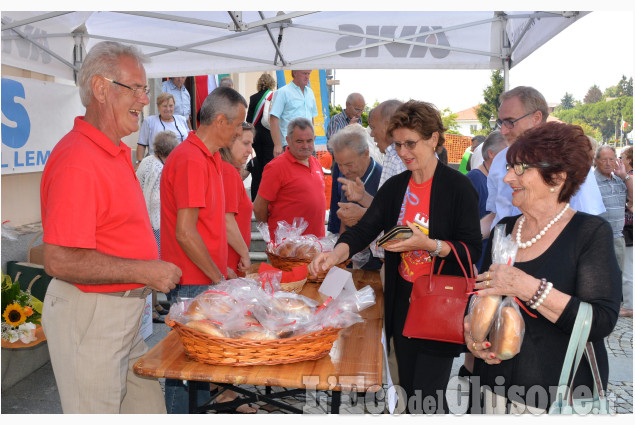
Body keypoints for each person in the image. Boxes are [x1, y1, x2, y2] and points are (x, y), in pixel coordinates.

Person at [309, 100, 481, 414]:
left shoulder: (458, 187)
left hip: (439, 304)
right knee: (406, 390)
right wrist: (335, 255)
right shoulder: (395, 187)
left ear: (433, 139)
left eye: (411, 143)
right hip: (402, 302)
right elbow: (365, 230)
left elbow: (471, 251)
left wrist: (429, 245)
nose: (403, 152)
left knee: (427, 396)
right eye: (398, 144)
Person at [39, 41, 182, 414]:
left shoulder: (114, 150)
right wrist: (144, 270)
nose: (143, 99)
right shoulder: (78, 159)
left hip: (123, 316)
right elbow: (59, 260)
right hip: (92, 316)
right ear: (101, 89)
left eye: (144, 89)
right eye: (134, 88)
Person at [465, 122, 621, 413]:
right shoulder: (503, 229)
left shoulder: (589, 232)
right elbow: (478, 296)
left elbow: (601, 320)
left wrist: (528, 288)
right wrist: (472, 334)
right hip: (492, 390)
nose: (508, 177)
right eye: (509, 167)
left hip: (555, 396)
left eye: (520, 168)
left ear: (557, 177)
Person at [160, 86, 247, 413]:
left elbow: (210, 225)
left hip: (202, 278)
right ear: (221, 120)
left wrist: (219, 270)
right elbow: (185, 233)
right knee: (184, 368)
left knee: (197, 367)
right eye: (238, 124)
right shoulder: (191, 159)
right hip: (191, 282)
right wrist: (215, 275)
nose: (240, 131)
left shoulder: (208, 157)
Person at [483, 86, 605, 236]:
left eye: (510, 122)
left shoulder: (568, 161)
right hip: (502, 254)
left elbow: (587, 223)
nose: (503, 131)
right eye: (501, 123)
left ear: (536, 118)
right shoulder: (499, 160)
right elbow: (496, 216)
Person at [335, 100, 405, 229]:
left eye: (373, 128)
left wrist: (362, 214)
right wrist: (363, 197)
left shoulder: (405, 160)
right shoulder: (391, 157)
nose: (371, 135)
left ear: (390, 126)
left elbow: (405, 218)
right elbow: (387, 207)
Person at [253, 117, 326, 238]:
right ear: (288, 140)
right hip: (286, 250)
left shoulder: (316, 163)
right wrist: (272, 235)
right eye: (299, 141)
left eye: (309, 141)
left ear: (314, 139)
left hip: (315, 245)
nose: (305, 146)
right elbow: (259, 207)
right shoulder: (276, 167)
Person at [136, 130, 179, 323]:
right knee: (154, 264)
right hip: (154, 222)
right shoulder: (157, 166)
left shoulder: (147, 161)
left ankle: (155, 304)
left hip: (150, 220)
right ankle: (152, 308)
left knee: (154, 263)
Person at [327, 124, 383, 269]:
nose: (344, 170)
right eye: (339, 164)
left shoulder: (383, 178)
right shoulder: (347, 176)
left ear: (365, 153)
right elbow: (344, 221)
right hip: (350, 255)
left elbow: (389, 219)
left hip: (376, 263)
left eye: (349, 164)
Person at [594, 145, 628, 311]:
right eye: (604, 159)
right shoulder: (591, 183)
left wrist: (626, 177)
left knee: (617, 276)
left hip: (618, 237)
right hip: (599, 239)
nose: (608, 163)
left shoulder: (620, 181)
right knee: (598, 278)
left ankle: (612, 309)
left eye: (611, 159)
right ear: (596, 161)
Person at [466, 130, 506, 270]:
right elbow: (464, 226)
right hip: (478, 262)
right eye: (506, 152)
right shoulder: (474, 180)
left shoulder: (499, 181)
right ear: (491, 154)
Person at [220, 122, 255, 277]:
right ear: (229, 142)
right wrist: (245, 253)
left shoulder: (229, 170)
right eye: (245, 143)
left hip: (230, 262)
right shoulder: (228, 171)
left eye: (251, 144)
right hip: (228, 263)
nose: (250, 150)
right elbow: (227, 221)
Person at [269, 70, 317, 157]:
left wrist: (312, 141)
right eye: (304, 73)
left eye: (308, 74)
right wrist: (277, 145)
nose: (307, 77)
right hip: (290, 144)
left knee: (310, 170)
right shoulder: (283, 92)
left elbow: (311, 118)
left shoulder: (310, 93)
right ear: (295, 73)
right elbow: (273, 118)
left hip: (308, 145)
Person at [247, 73, 277, 201]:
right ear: (272, 84)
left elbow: (248, 120)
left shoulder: (253, 98)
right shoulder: (274, 97)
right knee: (269, 167)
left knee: (258, 167)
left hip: (256, 137)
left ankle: (255, 199)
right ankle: (267, 199)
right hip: (269, 136)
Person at [136, 92, 188, 165]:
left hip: (181, 162)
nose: (168, 109)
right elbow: (142, 144)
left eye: (171, 105)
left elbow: (189, 141)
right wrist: (139, 162)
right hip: (157, 164)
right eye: (164, 106)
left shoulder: (182, 119)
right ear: (158, 106)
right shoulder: (150, 121)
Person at [619, 146, 633, 317]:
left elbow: (631, 204)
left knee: (628, 269)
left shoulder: (629, 178)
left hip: (629, 229)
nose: (619, 160)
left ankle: (630, 305)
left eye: (621, 157)